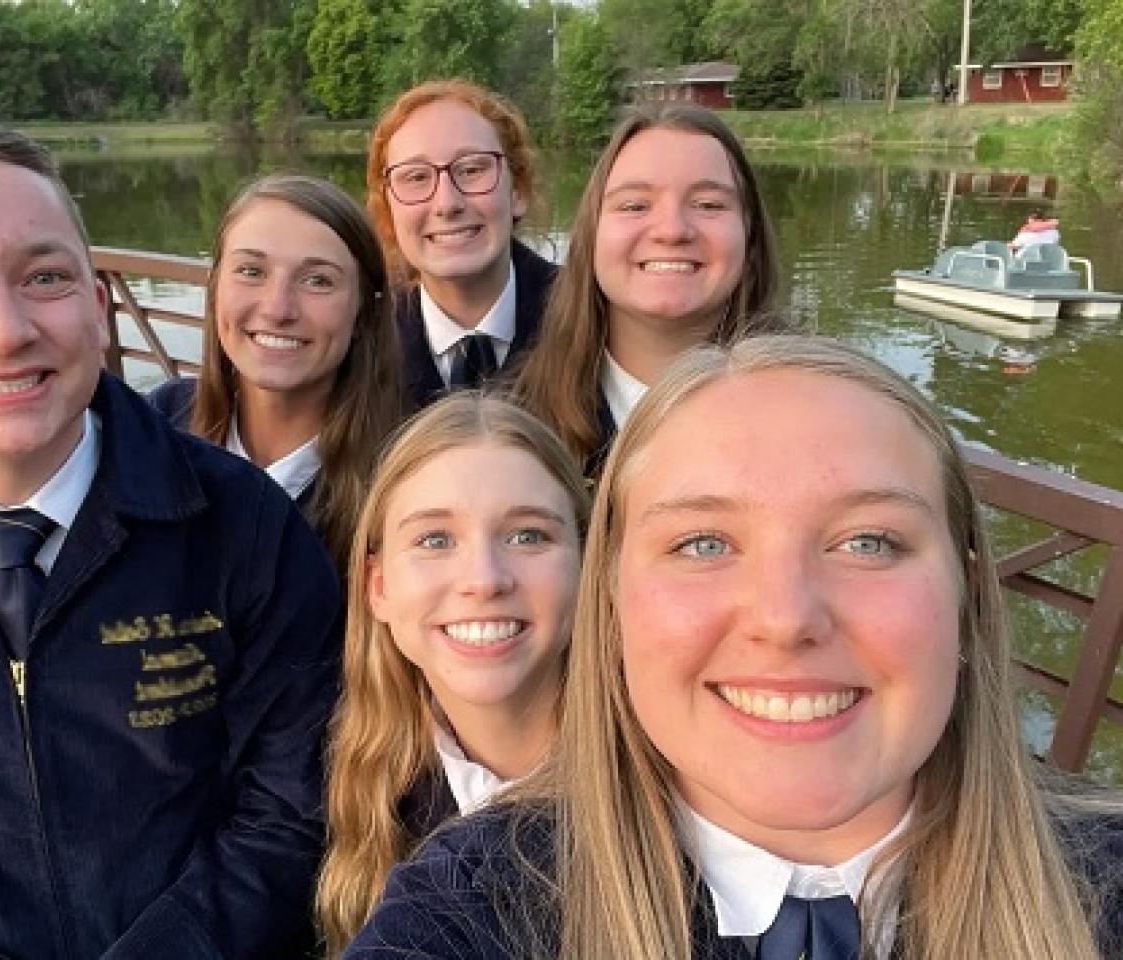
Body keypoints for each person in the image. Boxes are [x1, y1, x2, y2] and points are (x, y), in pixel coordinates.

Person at [346, 335, 1123, 959]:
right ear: (610, 600)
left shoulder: (1103, 886)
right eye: (704, 543)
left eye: (869, 542)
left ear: (967, 593)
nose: (785, 618)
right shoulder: (472, 904)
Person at [0, 119, 340, 960]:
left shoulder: (246, 526)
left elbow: (294, 809)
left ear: (98, 307)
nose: (2, 329)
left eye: (44, 277)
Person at [316, 392, 588, 957]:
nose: (484, 579)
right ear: (378, 587)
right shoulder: (358, 785)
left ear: (590, 565)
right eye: (435, 540)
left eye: (528, 535)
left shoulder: (680, 784)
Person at [511, 102, 788, 476]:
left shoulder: (822, 420)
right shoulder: (515, 429)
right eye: (635, 205)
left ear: (750, 237)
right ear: (592, 235)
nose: (672, 230)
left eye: (708, 204)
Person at [149, 174, 403, 569]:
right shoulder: (155, 428)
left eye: (318, 280)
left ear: (364, 313)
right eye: (251, 271)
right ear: (215, 289)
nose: (277, 309)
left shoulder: (407, 476)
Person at [366, 80, 557, 409]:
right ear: (388, 212)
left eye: (471, 170)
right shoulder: (361, 343)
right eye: (416, 177)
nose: (446, 203)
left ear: (519, 191)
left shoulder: (594, 319)